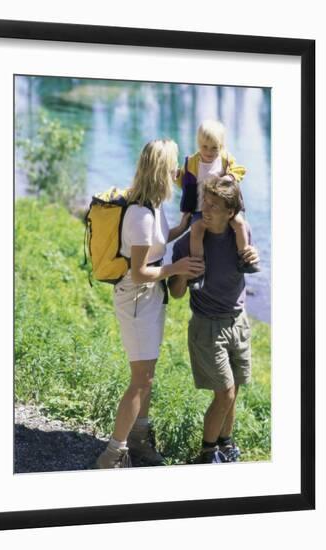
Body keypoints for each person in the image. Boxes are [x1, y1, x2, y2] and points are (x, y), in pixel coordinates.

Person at [95, 139, 205, 469]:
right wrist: (177, 268)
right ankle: (113, 454)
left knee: (148, 377)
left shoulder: (154, 205)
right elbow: (141, 271)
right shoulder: (140, 214)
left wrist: (182, 226)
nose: (177, 172)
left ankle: (139, 442)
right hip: (137, 299)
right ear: (160, 169)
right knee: (140, 380)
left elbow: (155, 243)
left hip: (150, 298)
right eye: (173, 165)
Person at [169, 176, 259, 464]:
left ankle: (225, 444)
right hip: (207, 327)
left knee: (234, 390)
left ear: (230, 213)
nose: (206, 210)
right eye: (205, 203)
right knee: (225, 393)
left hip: (238, 322)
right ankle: (207, 454)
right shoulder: (188, 243)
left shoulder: (240, 235)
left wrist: (253, 255)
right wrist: (182, 271)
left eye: (214, 206)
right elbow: (176, 293)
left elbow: (249, 265)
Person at [177, 119, 259, 290]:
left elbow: (240, 170)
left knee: (239, 223)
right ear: (199, 144)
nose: (209, 151)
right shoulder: (192, 162)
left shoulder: (225, 159)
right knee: (197, 230)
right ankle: (198, 270)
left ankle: (244, 258)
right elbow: (183, 181)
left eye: (214, 147)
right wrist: (175, 176)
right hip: (200, 208)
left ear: (221, 146)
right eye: (205, 147)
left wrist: (230, 177)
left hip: (223, 209)